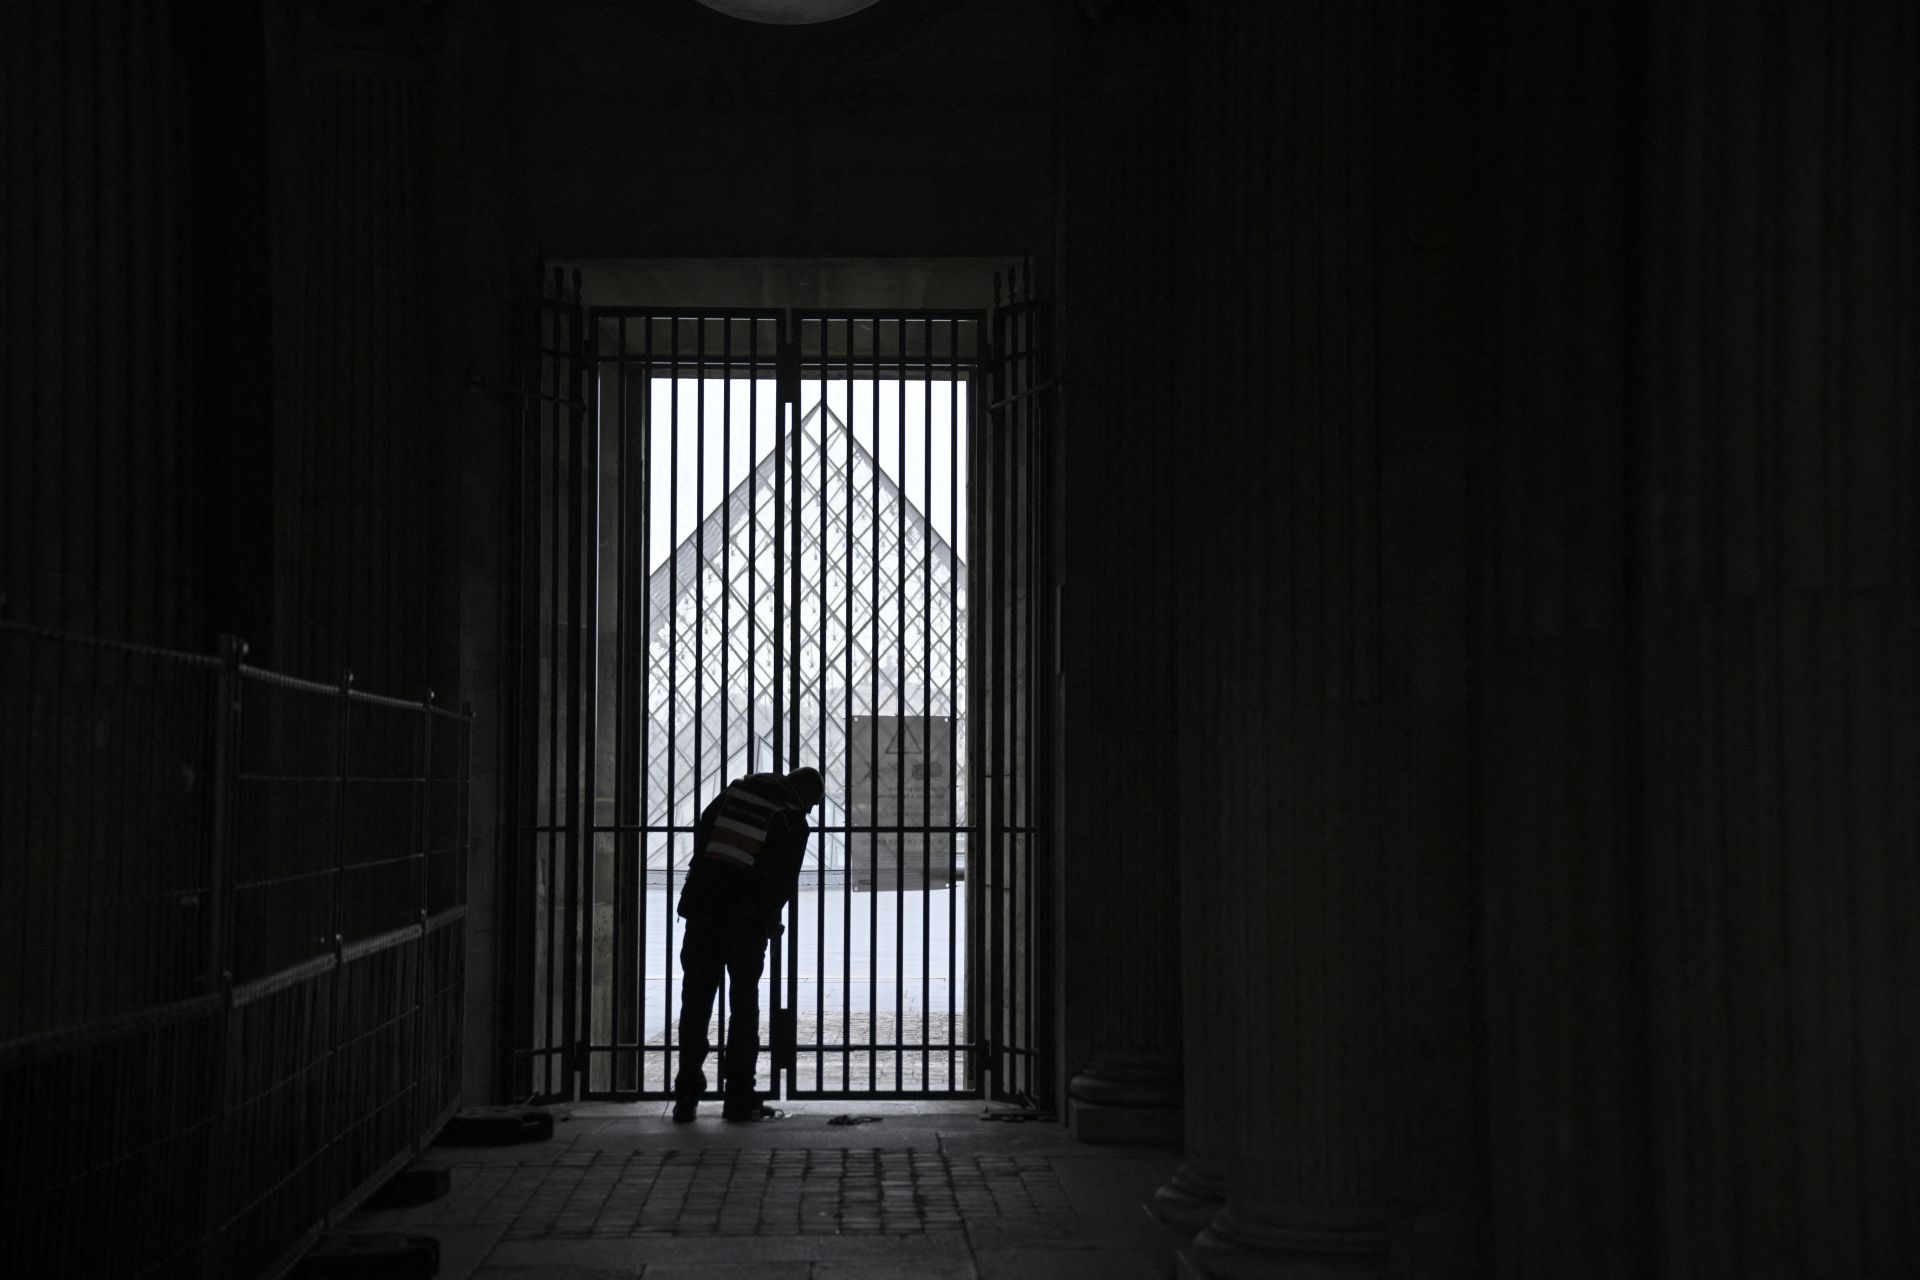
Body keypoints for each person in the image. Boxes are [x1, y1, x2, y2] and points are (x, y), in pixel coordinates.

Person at [671, 764, 823, 1122]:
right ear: (804, 795)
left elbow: (704, 836)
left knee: (695, 1003)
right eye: (813, 803)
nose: (812, 811)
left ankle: (686, 1095)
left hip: (704, 911)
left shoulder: (733, 794)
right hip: (745, 923)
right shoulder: (791, 819)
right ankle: (739, 1096)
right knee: (743, 1007)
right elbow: (781, 882)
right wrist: (770, 917)